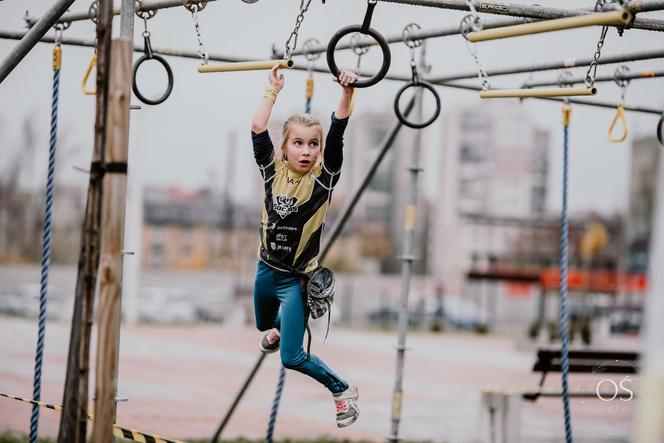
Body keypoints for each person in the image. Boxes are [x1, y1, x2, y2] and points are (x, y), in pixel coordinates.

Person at [250, 64, 359, 428]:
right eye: (298, 143)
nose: (307, 151)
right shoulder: (271, 171)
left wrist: (346, 93)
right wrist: (272, 91)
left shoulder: (323, 181)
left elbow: (339, 133)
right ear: (285, 147)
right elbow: (257, 128)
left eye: (313, 144)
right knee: (264, 323)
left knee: (291, 357)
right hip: (265, 270)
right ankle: (283, 326)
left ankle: (342, 391)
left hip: (297, 280)